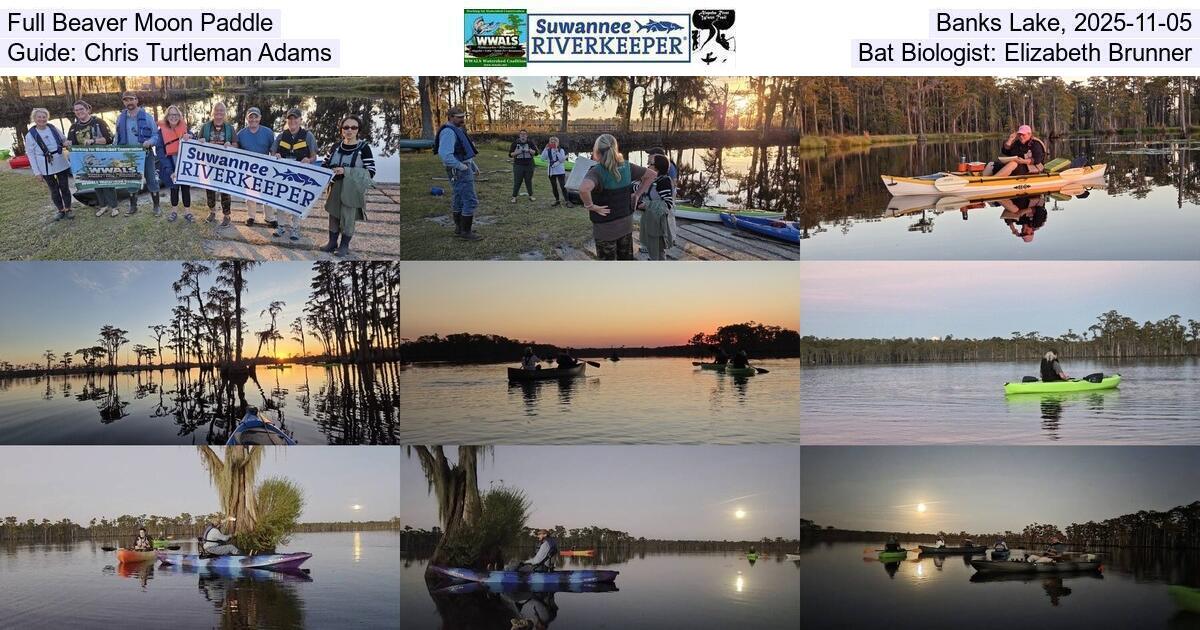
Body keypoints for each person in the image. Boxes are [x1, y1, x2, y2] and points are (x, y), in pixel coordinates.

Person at [577, 134, 658, 260]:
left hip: (605, 231)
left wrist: (590, 206)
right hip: (626, 225)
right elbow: (652, 175)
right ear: (615, 148)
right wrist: (637, 194)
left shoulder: (597, 171)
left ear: (597, 150)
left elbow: (583, 189)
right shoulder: (627, 166)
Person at [321, 114, 376, 257]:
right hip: (334, 187)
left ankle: (344, 245)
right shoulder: (334, 146)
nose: (349, 130)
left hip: (352, 189)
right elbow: (324, 165)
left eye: (353, 127)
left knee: (348, 217)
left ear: (358, 130)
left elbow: (371, 172)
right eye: (346, 127)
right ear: (341, 130)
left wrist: (346, 171)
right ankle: (332, 242)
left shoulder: (363, 148)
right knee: (333, 215)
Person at [271, 108, 318, 241]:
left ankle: (295, 228)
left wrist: (308, 160)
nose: (293, 121)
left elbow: (314, 156)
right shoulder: (281, 136)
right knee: (280, 201)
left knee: (296, 201)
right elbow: (273, 152)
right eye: (290, 119)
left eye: (295, 118)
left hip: (300, 176)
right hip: (283, 176)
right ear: (287, 120)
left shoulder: (308, 136)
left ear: (300, 120)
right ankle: (280, 226)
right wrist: (276, 155)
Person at [436, 106, 482, 240]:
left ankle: (459, 228)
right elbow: (445, 155)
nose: (462, 119)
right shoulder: (449, 132)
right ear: (450, 117)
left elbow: (463, 152)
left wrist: (473, 165)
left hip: (461, 168)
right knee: (470, 200)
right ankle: (466, 232)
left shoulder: (457, 130)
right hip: (458, 170)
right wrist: (462, 167)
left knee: (459, 198)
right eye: (459, 117)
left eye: (463, 116)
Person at [65, 100, 116, 218]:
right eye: (76, 110)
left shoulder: (98, 122)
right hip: (86, 160)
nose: (79, 112)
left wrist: (93, 141)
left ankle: (114, 206)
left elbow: (109, 139)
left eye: (81, 109)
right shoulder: (74, 127)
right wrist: (67, 144)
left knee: (108, 182)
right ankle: (103, 206)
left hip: (102, 157)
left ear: (87, 109)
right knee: (96, 182)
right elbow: (71, 144)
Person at [114, 92, 161, 216]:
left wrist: (150, 142)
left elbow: (156, 135)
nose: (129, 102)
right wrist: (114, 150)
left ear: (136, 100)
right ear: (123, 102)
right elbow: (117, 136)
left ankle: (156, 206)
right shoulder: (120, 118)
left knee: (151, 179)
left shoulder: (147, 116)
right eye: (126, 100)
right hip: (128, 156)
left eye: (131, 99)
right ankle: (133, 207)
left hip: (145, 154)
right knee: (131, 181)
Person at [25, 108, 73, 221]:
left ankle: (68, 209)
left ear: (47, 117)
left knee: (64, 187)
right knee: (54, 189)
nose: (42, 119)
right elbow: (31, 155)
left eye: (44, 117)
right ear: (34, 119)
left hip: (60, 161)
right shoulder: (30, 135)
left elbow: (63, 140)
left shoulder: (53, 128)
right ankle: (60, 210)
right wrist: (37, 172)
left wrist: (67, 143)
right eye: (39, 117)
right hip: (44, 164)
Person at [197, 102, 237, 226]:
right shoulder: (205, 127)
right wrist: (200, 141)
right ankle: (212, 212)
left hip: (224, 164)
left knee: (225, 191)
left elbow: (236, 144)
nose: (219, 113)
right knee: (209, 190)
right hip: (209, 164)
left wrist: (230, 145)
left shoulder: (230, 128)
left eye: (222, 110)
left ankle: (226, 215)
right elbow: (197, 144)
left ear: (225, 113)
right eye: (217, 110)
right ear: (213, 112)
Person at [236, 107, 276, 227]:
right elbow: (236, 152)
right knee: (249, 193)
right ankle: (251, 216)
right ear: (247, 118)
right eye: (251, 117)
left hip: (265, 167)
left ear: (260, 118)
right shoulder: (241, 134)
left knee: (267, 192)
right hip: (248, 168)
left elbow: (273, 150)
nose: (253, 119)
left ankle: (270, 217)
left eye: (256, 117)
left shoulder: (268, 132)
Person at [156, 105, 193, 222]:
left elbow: (195, 141)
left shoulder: (185, 129)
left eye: (176, 115)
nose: (174, 117)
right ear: (167, 117)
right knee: (174, 188)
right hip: (171, 164)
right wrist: (170, 171)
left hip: (184, 165)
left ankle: (187, 212)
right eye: (171, 115)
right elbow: (160, 152)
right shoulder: (161, 132)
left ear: (179, 117)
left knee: (186, 188)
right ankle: (174, 211)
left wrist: (191, 137)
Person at [640, 153, 677, 260]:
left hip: (657, 223)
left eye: (650, 164)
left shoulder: (663, 181)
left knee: (657, 250)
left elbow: (667, 204)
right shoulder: (652, 179)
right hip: (649, 219)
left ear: (658, 167)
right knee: (654, 249)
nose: (647, 166)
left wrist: (647, 205)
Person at [539, 136, 571, 207]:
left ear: (557, 143)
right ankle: (557, 200)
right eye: (551, 142)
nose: (553, 143)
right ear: (549, 143)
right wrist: (545, 149)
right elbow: (542, 159)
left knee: (563, 186)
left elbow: (562, 160)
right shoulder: (547, 150)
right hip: (551, 171)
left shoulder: (561, 150)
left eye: (554, 142)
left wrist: (556, 151)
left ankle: (567, 201)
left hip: (560, 171)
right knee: (554, 186)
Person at [509, 130, 538, 203]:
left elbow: (536, 153)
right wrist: (518, 152)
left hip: (529, 165)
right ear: (519, 135)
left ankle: (531, 196)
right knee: (517, 181)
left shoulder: (530, 143)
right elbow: (510, 154)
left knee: (528, 181)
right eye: (521, 134)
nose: (523, 135)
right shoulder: (515, 143)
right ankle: (514, 197)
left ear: (527, 136)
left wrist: (528, 150)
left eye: (524, 134)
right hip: (518, 165)